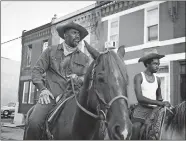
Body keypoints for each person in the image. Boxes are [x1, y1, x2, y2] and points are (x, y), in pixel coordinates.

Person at [24, 22, 90, 140]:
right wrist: (43, 89)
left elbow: (88, 78)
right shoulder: (50, 51)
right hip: (51, 96)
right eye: (74, 33)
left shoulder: (85, 58)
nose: (78, 36)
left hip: (73, 98)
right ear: (65, 35)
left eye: (79, 34)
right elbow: (36, 71)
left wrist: (79, 78)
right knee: (34, 122)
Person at [131, 49, 171, 139]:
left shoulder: (158, 79)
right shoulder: (139, 77)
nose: (158, 66)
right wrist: (159, 103)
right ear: (147, 64)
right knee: (136, 127)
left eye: (158, 64)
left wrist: (164, 103)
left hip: (155, 111)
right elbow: (140, 98)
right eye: (155, 64)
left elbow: (159, 98)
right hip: (141, 110)